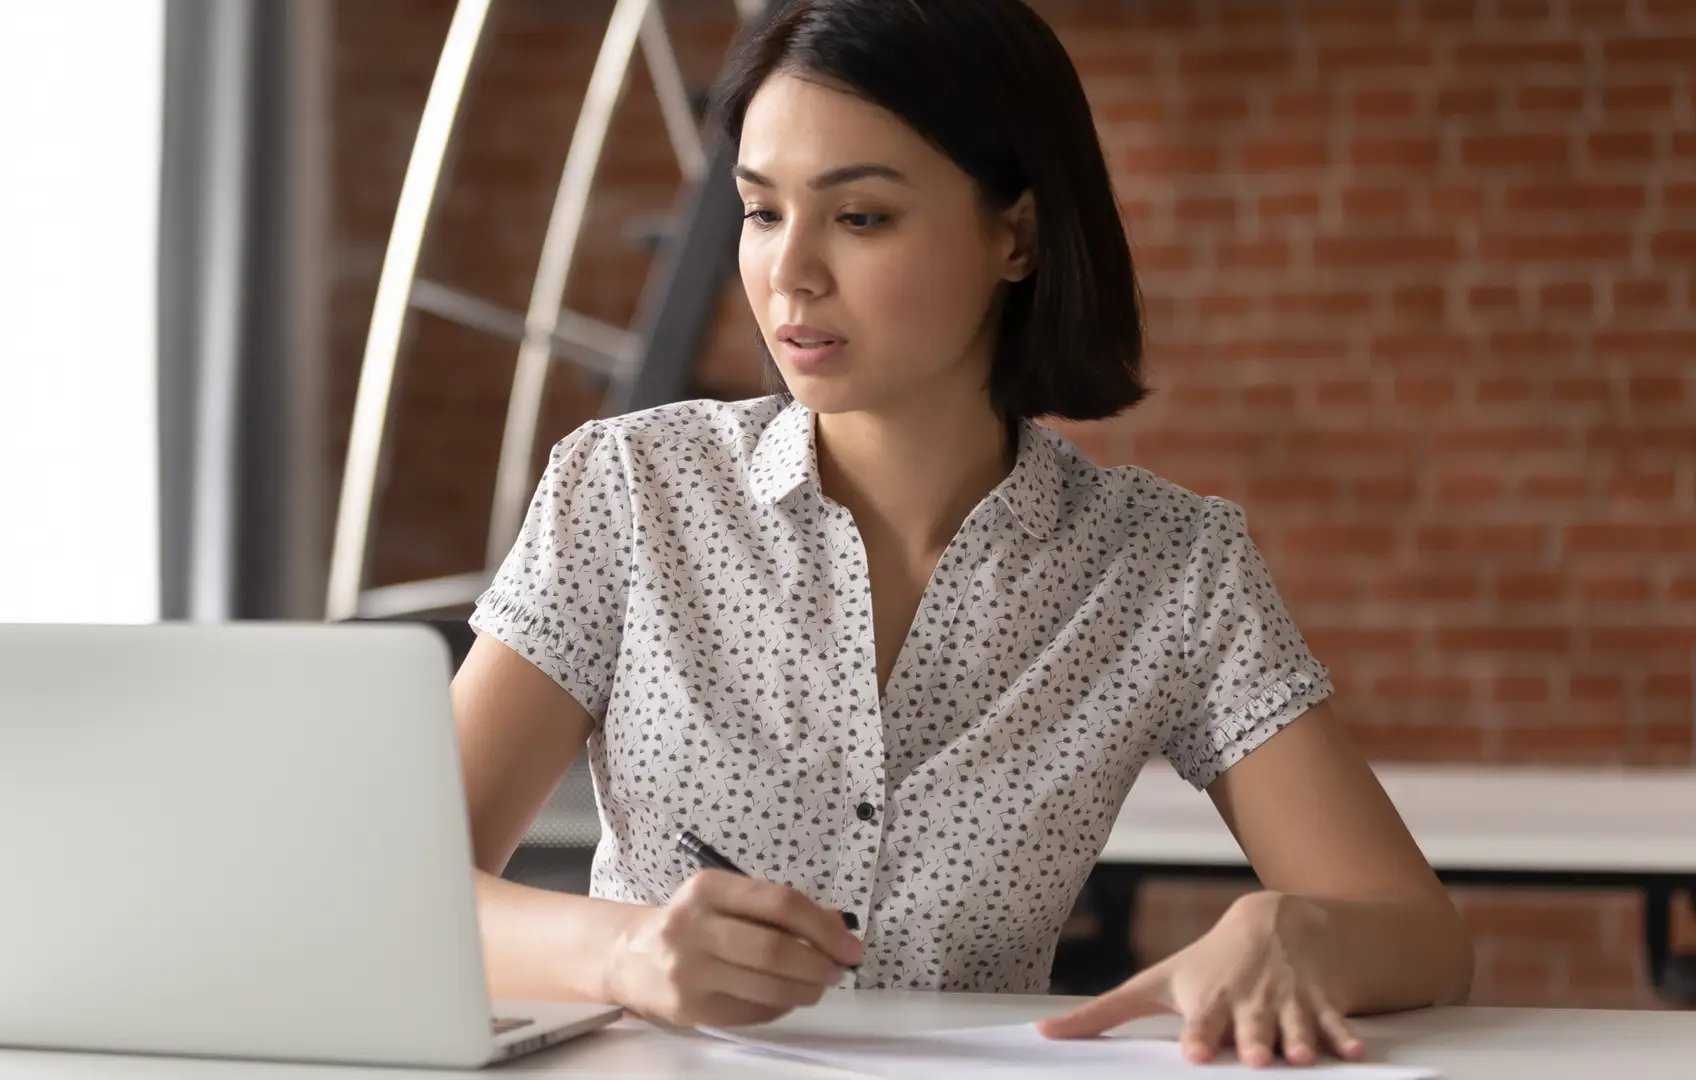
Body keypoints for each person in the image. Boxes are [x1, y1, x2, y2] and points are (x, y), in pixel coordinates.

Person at [451, 0, 1472, 1067]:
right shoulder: (627, 491)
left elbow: (1422, 937)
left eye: (860, 217)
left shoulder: (1167, 567)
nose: (790, 271)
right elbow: (388, 890)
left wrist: (1291, 930)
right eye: (761, 212)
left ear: (1016, 236)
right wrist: (622, 953)